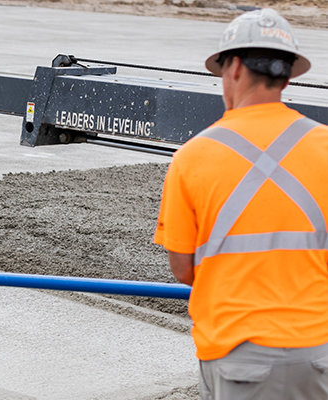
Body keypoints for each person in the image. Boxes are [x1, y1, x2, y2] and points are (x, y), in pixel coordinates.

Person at [154, 8, 328, 399]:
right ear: (286, 74)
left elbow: (183, 268)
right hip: (319, 352)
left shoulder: (193, 156)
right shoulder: (326, 146)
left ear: (233, 68)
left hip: (239, 355)